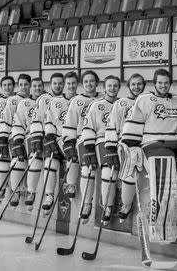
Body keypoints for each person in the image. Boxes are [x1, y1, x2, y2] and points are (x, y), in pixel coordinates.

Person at [121, 68, 177, 243]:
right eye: (160, 82)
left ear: (170, 83)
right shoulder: (144, 99)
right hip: (154, 142)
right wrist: (130, 147)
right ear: (154, 83)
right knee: (165, 163)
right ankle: (162, 229)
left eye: (166, 82)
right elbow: (133, 125)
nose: (163, 85)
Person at [104, 73, 145, 222]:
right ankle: (110, 206)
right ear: (128, 87)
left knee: (133, 171)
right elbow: (112, 125)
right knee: (112, 172)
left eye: (139, 84)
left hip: (143, 146)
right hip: (124, 146)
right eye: (133, 84)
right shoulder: (121, 103)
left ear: (144, 85)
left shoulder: (148, 101)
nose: (136, 87)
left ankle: (126, 204)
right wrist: (110, 149)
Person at [81, 75, 121, 224]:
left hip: (120, 143)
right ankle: (93, 205)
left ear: (119, 88)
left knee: (117, 171)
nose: (112, 88)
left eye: (115, 86)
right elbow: (88, 128)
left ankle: (110, 204)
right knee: (101, 170)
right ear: (104, 88)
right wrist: (89, 148)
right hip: (102, 141)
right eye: (109, 86)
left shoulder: (122, 104)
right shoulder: (97, 105)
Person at [41, 71, 78, 213]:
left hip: (73, 140)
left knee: (74, 156)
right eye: (68, 83)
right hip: (57, 139)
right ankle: (49, 195)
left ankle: (71, 184)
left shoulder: (79, 101)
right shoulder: (55, 102)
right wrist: (50, 137)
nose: (71, 86)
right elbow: (49, 122)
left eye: (73, 83)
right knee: (50, 163)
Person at [62, 70, 102, 200]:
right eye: (85, 81)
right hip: (82, 140)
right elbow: (70, 123)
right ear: (82, 84)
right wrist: (69, 142)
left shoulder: (103, 98)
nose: (89, 84)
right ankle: (85, 200)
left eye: (91, 81)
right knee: (87, 168)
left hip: (101, 139)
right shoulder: (77, 101)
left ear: (96, 83)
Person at [27, 73, 62, 209]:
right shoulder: (43, 99)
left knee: (50, 164)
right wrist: (37, 138)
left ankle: (49, 195)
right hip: (44, 138)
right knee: (34, 161)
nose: (57, 86)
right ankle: (31, 191)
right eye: (55, 83)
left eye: (60, 83)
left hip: (58, 140)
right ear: (50, 84)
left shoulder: (65, 100)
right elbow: (37, 119)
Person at [10, 77, 45, 209]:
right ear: (32, 87)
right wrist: (17, 140)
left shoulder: (49, 101)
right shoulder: (24, 103)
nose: (37, 88)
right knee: (18, 160)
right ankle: (15, 190)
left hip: (46, 138)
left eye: (39, 86)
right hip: (28, 137)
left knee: (35, 160)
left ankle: (31, 191)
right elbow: (18, 124)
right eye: (35, 86)